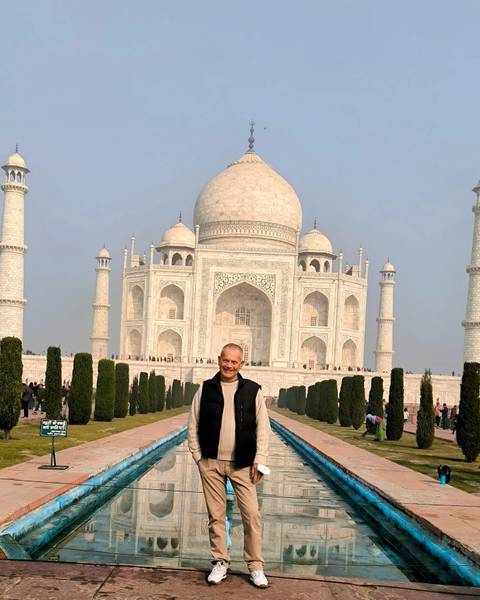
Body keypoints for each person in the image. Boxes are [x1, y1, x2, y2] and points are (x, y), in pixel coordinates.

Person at [188, 343, 270, 588]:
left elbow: (263, 429)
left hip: (242, 464)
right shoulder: (205, 388)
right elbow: (193, 425)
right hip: (211, 462)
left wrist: (260, 459)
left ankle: (255, 566)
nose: (229, 365)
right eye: (226, 360)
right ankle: (220, 562)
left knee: (252, 515)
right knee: (216, 516)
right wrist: (199, 458)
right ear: (219, 360)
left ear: (241, 364)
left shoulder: (253, 391)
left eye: (234, 362)